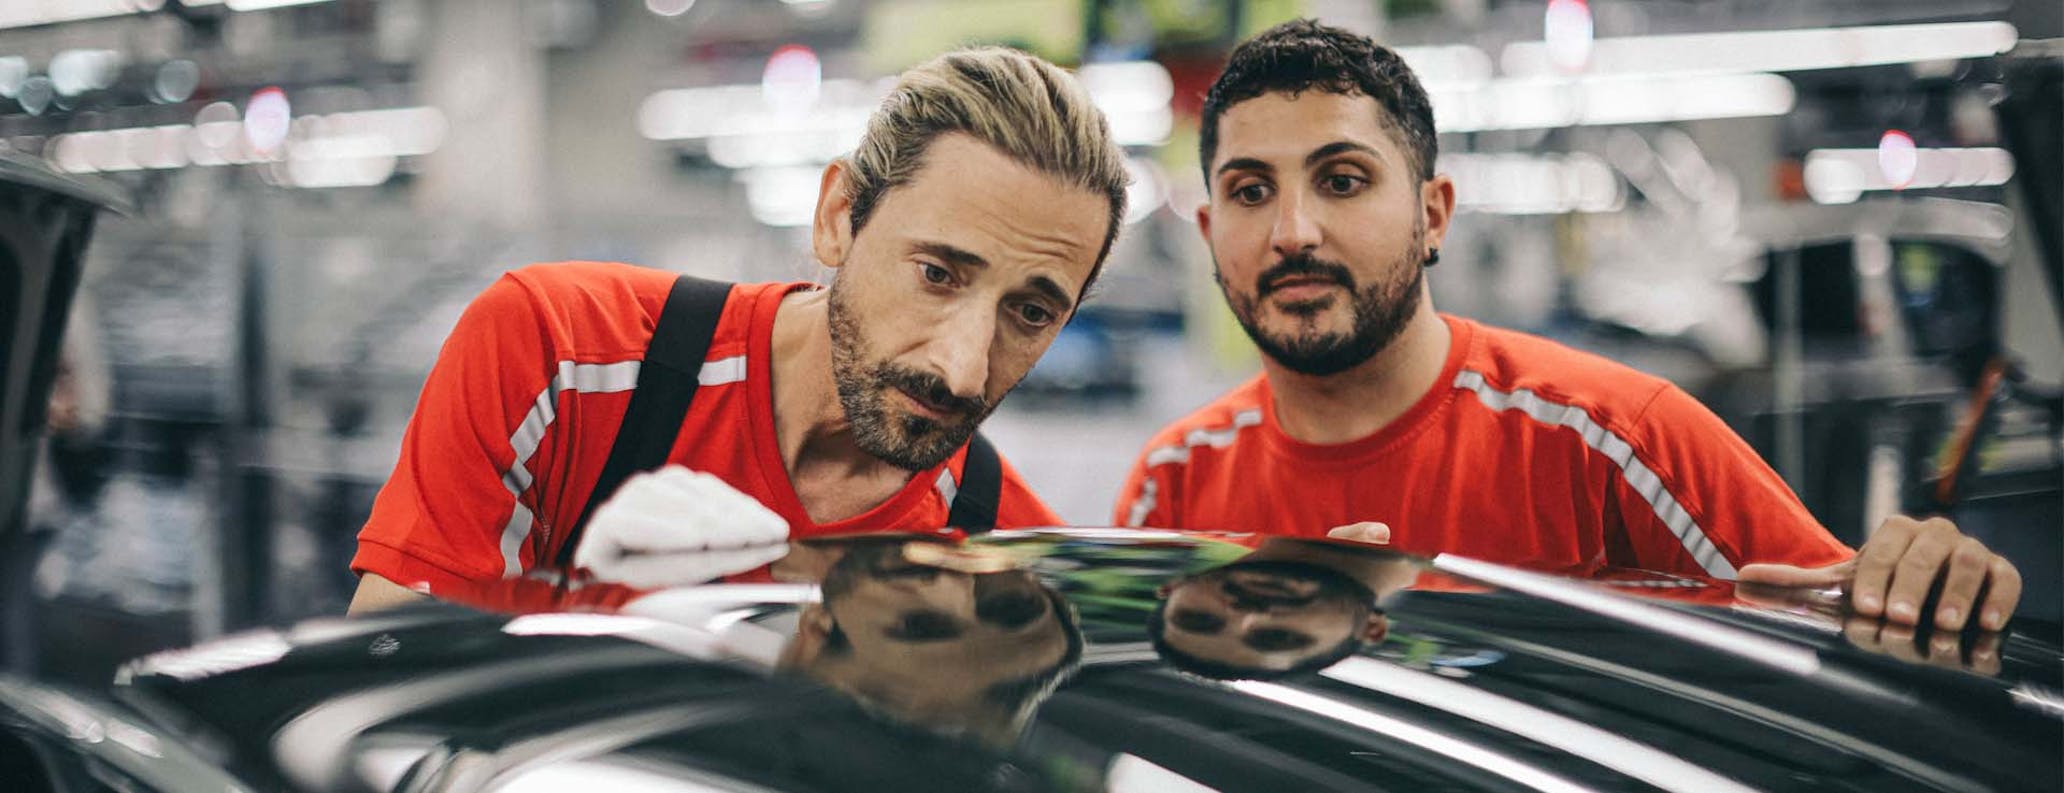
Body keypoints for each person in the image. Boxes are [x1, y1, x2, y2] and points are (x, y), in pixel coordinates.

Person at [1113, 20, 2022, 633]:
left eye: (1342, 180)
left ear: (1433, 215)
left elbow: (1849, 639)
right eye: (1250, 191)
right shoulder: (1173, 484)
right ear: (1209, 230)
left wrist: (1926, 580)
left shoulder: (1619, 440)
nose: (1292, 231)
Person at [350, 47, 1129, 613]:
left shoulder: (1010, 564)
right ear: (838, 218)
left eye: (1031, 313)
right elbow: (383, 697)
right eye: (937, 273)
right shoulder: (560, 355)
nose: (962, 370)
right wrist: (584, 620)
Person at [1148, 535, 1417, 680]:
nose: (1246, 615)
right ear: (1371, 628)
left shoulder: (1180, 489)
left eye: (1197, 618)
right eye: (1278, 637)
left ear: (1173, 588)